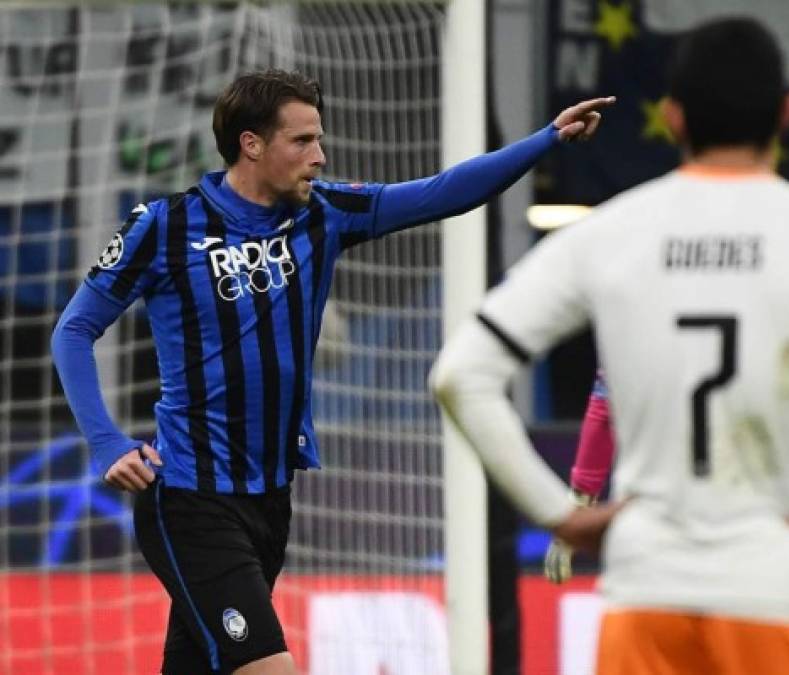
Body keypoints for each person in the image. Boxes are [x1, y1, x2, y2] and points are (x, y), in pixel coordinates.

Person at [431, 16, 789, 675]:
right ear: (785, 113)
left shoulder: (610, 234)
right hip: (783, 593)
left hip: (648, 594)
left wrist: (563, 512)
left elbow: (462, 373)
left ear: (671, 118)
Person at [50, 69, 613, 675]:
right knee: (269, 667)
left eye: (319, 140)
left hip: (270, 498)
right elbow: (74, 330)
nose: (319, 156)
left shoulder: (324, 214)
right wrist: (107, 441)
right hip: (190, 496)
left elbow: (443, 191)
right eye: (302, 141)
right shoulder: (163, 226)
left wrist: (546, 139)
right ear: (251, 144)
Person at [543, 370, 789, 585]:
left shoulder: (651, 300)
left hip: (671, 522)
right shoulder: (768, 308)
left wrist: (579, 504)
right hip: (751, 524)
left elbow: (606, 403)